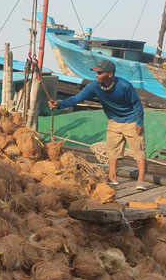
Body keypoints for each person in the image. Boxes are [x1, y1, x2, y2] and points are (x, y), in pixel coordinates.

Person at [48, 60, 146, 189]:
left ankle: (141, 180)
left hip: (131, 121)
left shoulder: (124, 86)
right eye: (96, 73)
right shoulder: (94, 87)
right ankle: (112, 177)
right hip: (113, 121)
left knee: (138, 151)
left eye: (100, 73)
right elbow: (77, 99)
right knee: (112, 150)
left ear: (110, 74)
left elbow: (136, 104)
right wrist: (59, 104)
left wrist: (139, 122)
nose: (96, 75)